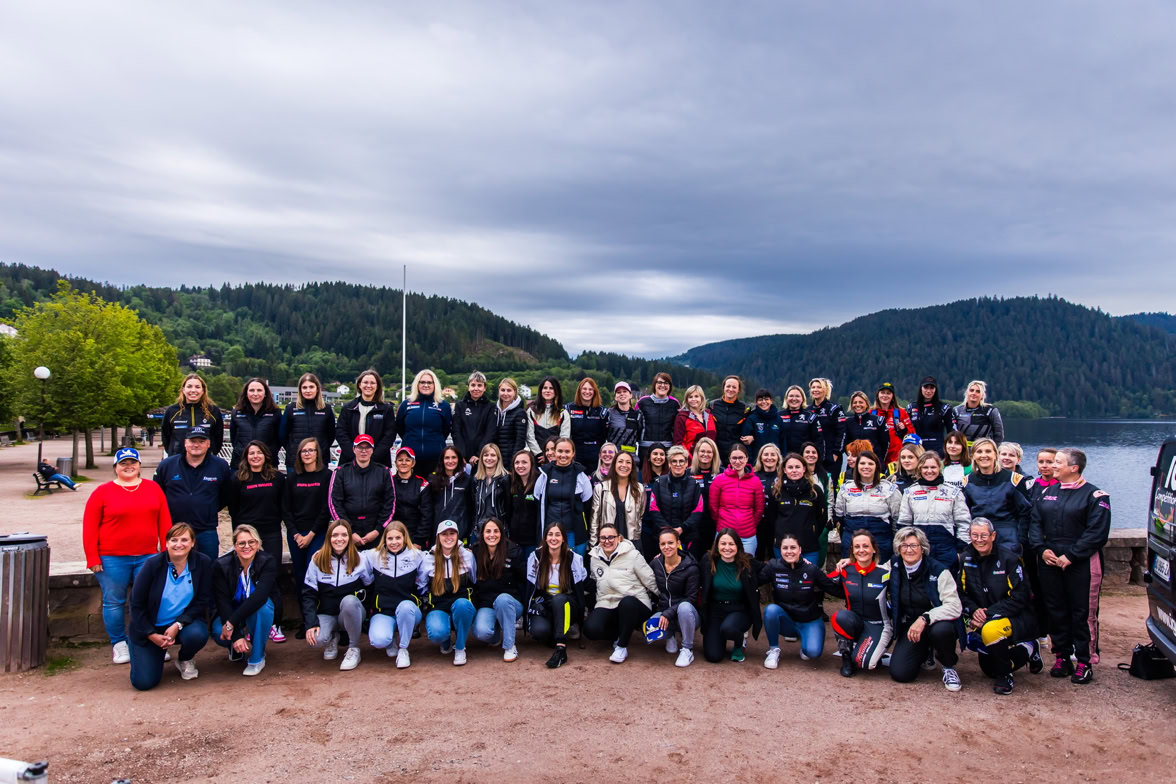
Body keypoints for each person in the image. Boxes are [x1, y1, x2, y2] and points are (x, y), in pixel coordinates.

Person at [1027, 448, 1111, 682]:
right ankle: (1062, 656)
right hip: (1050, 560)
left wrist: (1072, 556)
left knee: (1083, 612)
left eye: (1058, 462)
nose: (1053, 466)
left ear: (1074, 468)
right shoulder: (1047, 493)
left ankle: (1085, 661)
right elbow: (1035, 524)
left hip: (1081, 562)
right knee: (1056, 609)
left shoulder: (1096, 496)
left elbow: (1097, 533)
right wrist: (1041, 549)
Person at [83, 447, 171, 664]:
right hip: (112, 557)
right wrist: (92, 558)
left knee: (149, 600)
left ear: (139, 466)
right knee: (114, 601)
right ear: (115, 467)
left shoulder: (153, 488)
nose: (128, 466)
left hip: (147, 556)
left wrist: (165, 554)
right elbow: (90, 527)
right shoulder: (102, 492)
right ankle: (119, 643)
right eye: (123, 463)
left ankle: (149, 640)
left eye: (133, 462)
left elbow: (164, 522)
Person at [958, 518, 1043, 695]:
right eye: (974, 535)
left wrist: (988, 614)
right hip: (984, 617)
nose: (979, 540)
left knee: (991, 631)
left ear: (993, 536)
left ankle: (1005, 677)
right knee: (989, 670)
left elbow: (1020, 597)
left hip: (1016, 616)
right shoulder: (965, 558)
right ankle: (1029, 648)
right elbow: (961, 594)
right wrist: (973, 611)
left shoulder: (1010, 559)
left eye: (983, 535)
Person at [127, 523, 212, 690]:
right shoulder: (152, 565)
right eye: (174, 540)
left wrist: (178, 624)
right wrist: (151, 634)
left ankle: (185, 658)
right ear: (166, 543)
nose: (179, 544)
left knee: (197, 634)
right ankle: (155, 653)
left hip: (181, 625)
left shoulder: (202, 562)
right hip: (150, 629)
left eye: (184, 540)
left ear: (193, 543)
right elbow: (136, 605)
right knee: (143, 683)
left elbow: (203, 600)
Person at [888, 527, 964, 690]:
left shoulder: (939, 570)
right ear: (898, 549)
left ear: (922, 548)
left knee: (942, 630)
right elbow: (872, 569)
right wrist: (848, 562)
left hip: (935, 623)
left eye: (914, 545)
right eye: (904, 546)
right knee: (900, 674)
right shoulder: (894, 565)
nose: (909, 550)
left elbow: (954, 606)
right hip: (911, 626)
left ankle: (948, 666)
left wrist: (926, 618)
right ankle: (925, 651)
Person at [227, 441, 286, 642]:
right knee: (249, 578)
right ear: (246, 456)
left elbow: (282, 505)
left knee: (272, 577)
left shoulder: (277, 477)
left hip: (271, 533)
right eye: (251, 453)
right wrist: (239, 537)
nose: (255, 456)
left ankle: (275, 624)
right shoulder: (237, 479)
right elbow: (233, 509)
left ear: (266, 455)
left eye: (259, 452)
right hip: (248, 536)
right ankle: (250, 624)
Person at [759, 533, 840, 666]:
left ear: (800, 550)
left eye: (793, 547)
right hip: (787, 622)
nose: (789, 551)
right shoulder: (774, 567)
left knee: (812, 653)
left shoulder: (811, 569)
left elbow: (833, 588)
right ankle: (773, 650)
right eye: (785, 548)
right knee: (771, 610)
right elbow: (754, 581)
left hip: (809, 620)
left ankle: (807, 641)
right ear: (780, 550)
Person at [210, 524, 280, 676]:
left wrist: (230, 624)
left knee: (263, 608)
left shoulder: (267, 561)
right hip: (231, 611)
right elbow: (222, 602)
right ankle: (235, 647)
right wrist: (235, 635)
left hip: (255, 609)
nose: (246, 546)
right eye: (241, 543)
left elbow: (260, 596)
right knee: (218, 632)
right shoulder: (220, 565)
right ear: (235, 546)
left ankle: (257, 657)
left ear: (258, 544)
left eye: (251, 542)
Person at [584, 522, 659, 663]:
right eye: (603, 538)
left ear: (619, 538)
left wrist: (665, 601)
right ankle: (619, 632)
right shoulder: (594, 558)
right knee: (591, 630)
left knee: (627, 602)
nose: (607, 541)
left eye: (611, 537)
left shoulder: (633, 555)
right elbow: (596, 581)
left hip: (635, 603)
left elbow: (650, 579)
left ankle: (621, 646)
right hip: (607, 602)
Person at [153, 427, 231, 561]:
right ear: (185, 443)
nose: (196, 445)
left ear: (208, 444)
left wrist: (208, 507)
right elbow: (157, 494)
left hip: (206, 530)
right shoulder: (167, 465)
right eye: (192, 441)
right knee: (174, 567)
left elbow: (226, 494)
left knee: (208, 568)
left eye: (201, 441)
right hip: (175, 529)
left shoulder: (220, 466)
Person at [361, 521, 426, 669]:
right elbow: (351, 556)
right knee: (378, 641)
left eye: (398, 538)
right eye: (390, 538)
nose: (394, 542)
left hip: (409, 610)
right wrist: (323, 552)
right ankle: (390, 641)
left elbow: (432, 563)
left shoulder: (417, 555)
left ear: (404, 538)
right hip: (384, 611)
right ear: (385, 539)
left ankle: (403, 649)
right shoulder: (373, 555)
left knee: (405, 606)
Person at [302, 520, 365, 671]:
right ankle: (332, 637)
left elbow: (370, 585)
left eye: (344, 535)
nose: (339, 539)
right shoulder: (317, 560)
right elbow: (308, 595)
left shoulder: (360, 559)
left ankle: (354, 648)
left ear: (350, 537)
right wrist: (311, 623)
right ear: (328, 537)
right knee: (316, 640)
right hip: (327, 614)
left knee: (350, 601)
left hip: (350, 612)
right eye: (335, 535)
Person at [828, 530, 892, 677]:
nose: (861, 550)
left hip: (878, 625)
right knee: (840, 617)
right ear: (852, 550)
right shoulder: (845, 570)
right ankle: (846, 657)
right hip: (855, 622)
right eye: (857, 547)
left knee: (865, 663)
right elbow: (821, 580)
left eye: (866, 546)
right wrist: (804, 563)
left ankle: (870, 649)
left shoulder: (886, 573)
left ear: (874, 549)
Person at [284, 437, 331, 634]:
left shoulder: (326, 475)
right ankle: (306, 621)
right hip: (296, 534)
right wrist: (296, 534)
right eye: (304, 451)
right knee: (300, 574)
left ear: (318, 453)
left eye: (311, 450)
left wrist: (311, 534)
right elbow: (286, 509)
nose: (307, 454)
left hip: (317, 532)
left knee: (317, 575)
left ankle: (321, 618)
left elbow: (326, 509)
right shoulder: (292, 478)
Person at [526, 523, 590, 669]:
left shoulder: (573, 558)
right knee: (539, 632)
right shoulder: (535, 557)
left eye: (557, 535)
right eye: (550, 534)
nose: (553, 538)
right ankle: (556, 632)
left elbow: (583, 585)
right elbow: (531, 588)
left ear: (563, 539)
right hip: (546, 602)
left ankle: (561, 649)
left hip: (567, 603)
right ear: (545, 538)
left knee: (559, 599)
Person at [897, 451, 971, 570]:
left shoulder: (953, 492)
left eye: (933, 467)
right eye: (925, 467)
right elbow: (904, 523)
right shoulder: (910, 492)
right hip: (919, 547)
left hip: (946, 548)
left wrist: (961, 550)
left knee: (947, 580)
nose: (929, 471)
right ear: (919, 469)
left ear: (939, 468)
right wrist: (906, 547)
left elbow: (963, 522)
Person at [698, 529, 762, 663]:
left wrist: (800, 562)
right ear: (717, 545)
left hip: (739, 610)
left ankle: (739, 643)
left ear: (738, 545)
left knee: (728, 628)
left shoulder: (747, 562)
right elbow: (690, 566)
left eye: (731, 544)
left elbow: (770, 569)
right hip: (715, 611)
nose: (727, 548)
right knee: (713, 656)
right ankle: (719, 638)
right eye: (723, 544)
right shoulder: (708, 560)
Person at [469, 518, 528, 661]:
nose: (492, 535)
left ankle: (510, 646)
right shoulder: (475, 551)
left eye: (496, 531)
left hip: (510, 603)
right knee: (481, 632)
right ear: (482, 534)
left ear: (501, 533)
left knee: (502, 600)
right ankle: (495, 636)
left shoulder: (512, 550)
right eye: (488, 531)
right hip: (487, 604)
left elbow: (525, 578)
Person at [420, 520, 477, 666]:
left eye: (452, 533)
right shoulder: (428, 558)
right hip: (438, 606)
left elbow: (474, 579)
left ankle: (460, 647)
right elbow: (421, 585)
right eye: (444, 534)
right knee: (437, 634)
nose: (448, 537)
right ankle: (445, 642)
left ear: (457, 536)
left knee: (463, 605)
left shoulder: (467, 556)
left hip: (461, 604)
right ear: (438, 536)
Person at [963, 437, 1032, 556]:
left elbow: (1025, 512)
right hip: (979, 537)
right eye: (979, 452)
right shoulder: (967, 482)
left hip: (1008, 537)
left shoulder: (1014, 479)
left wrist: (1021, 540)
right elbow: (964, 514)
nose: (984, 455)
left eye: (988, 451)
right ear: (973, 456)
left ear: (995, 454)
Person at [327, 434, 397, 549]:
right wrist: (349, 531)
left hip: (376, 532)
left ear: (372, 450)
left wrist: (378, 530)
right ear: (354, 449)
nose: (363, 451)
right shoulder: (340, 472)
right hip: (348, 532)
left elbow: (390, 503)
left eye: (367, 447)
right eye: (360, 447)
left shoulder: (384, 472)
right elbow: (334, 504)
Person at [833, 450, 901, 563]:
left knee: (881, 571)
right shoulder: (846, 488)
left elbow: (897, 518)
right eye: (862, 463)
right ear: (857, 466)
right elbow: (840, 516)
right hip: (852, 536)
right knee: (851, 571)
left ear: (876, 466)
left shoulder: (889, 489)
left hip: (881, 538)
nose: (866, 467)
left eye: (870, 463)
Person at [650, 528, 701, 667]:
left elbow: (691, 598)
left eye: (670, 543)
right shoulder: (656, 564)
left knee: (684, 607)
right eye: (663, 544)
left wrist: (668, 613)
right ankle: (670, 634)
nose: (667, 547)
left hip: (686, 614)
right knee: (649, 626)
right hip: (664, 613)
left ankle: (687, 649)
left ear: (678, 543)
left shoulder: (691, 567)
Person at [534, 438, 594, 557]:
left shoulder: (581, 475)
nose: (563, 455)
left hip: (572, 532)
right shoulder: (545, 474)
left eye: (567, 451)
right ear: (555, 452)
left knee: (573, 564)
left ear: (573, 453)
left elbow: (587, 503)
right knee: (551, 564)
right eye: (560, 451)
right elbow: (537, 499)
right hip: (550, 531)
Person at [768, 454, 826, 564]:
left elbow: (822, 517)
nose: (794, 470)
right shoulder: (776, 491)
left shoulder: (815, 491)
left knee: (808, 575)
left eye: (797, 467)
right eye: (790, 467)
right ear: (784, 470)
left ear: (804, 469)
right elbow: (771, 517)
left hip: (808, 547)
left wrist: (811, 533)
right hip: (782, 546)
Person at [709, 444, 765, 555]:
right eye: (734, 458)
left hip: (747, 536)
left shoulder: (755, 481)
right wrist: (722, 523)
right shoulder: (719, 480)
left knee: (746, 564)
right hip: (724, 534)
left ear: (746, 459)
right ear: (729, 459)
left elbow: (759, 510)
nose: (737, 461)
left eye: (741, 458)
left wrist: (750, 524)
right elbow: (713, 508)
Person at [647, 445, 704, 555]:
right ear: (669, 463)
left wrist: (682, 528)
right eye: (674, 461)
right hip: (664, 537)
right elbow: (654, 509)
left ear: (686, 463)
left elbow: (698, 511)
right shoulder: (659, 483)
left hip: (688, 537)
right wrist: (669, 530)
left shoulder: (694, 484)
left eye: (681, 461)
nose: (678, 464)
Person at [395, 369, 452, 477]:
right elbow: (400, 428)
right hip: (410, 458)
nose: (426, 385)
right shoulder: (406, 404)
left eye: (429, 382)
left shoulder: (443, 406)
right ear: (417, 384)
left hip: (435, 458)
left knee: (434, 487)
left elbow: (446, 430)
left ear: (435, 385)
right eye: (422, 382)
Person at [336, 369, 395, 467]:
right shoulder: (348, 408)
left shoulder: (386, 409)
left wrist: (373, 457)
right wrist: (354, 455)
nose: (369, 385)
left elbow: (389, 436)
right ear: (359, 385)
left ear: (377, 386)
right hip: (350, 461)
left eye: (372, 383)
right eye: (365, 382)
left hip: (378, 462)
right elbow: (341, 433)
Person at [589, 451, 646, 552]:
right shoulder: (601, 488)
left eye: (628, 462)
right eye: (620, 461)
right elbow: (595, 520)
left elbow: (640, 515)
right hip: (607, 542)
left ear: (632, 467)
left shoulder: (639, 489)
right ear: (614, 465)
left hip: (632, 542)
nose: (624, 465)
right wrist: (593, 546)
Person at [281, 373, 336, 471]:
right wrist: (293, 449)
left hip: (320, 460)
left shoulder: (326, 409)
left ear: (317, 388)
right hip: (295, 461)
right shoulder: (290, 408)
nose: (308, 391)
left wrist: (320, 449)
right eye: (304, 387)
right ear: (300, 390)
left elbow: (331, 435)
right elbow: (282, 435)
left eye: (311, 387)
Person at [162, 373, 224, 457]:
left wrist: (210, 454)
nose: (193, 390)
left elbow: (218, 438)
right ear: (183, 390)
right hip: (177, 460)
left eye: (197, 387)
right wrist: (175, 452)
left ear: (203, 390)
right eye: (189, 386)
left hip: (206, 460)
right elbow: (166, 438)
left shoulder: (213, 411)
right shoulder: (172, 411)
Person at [228, 378, 281, 471]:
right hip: (240, 464)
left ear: (265, 393)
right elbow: (234, 438)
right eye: (252, 390)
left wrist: (269, 452)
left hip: (268, 465)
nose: (255, 394)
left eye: (259, 390)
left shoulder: (275, 413)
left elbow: (279, 438)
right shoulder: (236, 413)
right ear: (246, 393)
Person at [428, 446, 474, 544]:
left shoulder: (467, 480)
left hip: (461, 533)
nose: (450, 461)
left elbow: (471, 508)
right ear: (442, 460)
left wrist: (468, 531)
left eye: (453, 457)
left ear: (459, 459)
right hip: (438, 532)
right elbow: (428, 508)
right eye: (447, 458)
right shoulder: (433, 479)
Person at [390, 446, 433, 549]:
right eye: (400, 460)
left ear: (413, 463)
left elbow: (427, 516)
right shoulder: (388, 482)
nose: (404, 463)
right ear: (395, 463)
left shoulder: (423, 484)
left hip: (415, 537)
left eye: (407, 460)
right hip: (393, 535)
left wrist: (419, 541)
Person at [453, 371, 498, 470]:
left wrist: (479, 454)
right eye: (473, 385)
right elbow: (456, 431)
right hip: (463, 458)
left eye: (479, 385)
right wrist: (461, 454)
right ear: (468, 387)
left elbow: (490, 432)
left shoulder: (491, 407)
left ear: (484, 388)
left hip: (483, 456)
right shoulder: (460, 406)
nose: (476, 388)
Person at [807, 378, 846, 488]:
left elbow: (842, 432)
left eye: (819, 387)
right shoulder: (807, 410)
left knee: (830, 487)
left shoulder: (834, 408)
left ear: (825, 390)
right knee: (812, 485)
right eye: (813, 387)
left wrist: (836, 453)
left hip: (831, 456)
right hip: (812, 456)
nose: (815, 390)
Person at [566, 377, 608, 473]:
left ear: (594, 392)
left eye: (590, 389)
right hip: (575, 452)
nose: (587, 392)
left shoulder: (602, 412)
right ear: (579, 390)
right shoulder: (568, 409)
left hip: (594, 453)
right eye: (584, 389)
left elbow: (605, 435)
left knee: (593, 480)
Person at [906, 377, 956, 457]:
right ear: (921, 388)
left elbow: (952, 431)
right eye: (926, 387)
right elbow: (906, 431)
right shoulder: (911, 407)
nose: (928, 391)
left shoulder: (944, 408)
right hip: (917, 449)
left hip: (938, 450)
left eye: (932, 388)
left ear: (935, 389)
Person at [525, 376, 570, 461]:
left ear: (556, 391)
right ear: (541, 390)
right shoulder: (531, 411)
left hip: (557, 458)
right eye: (545, 388)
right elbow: (529, 436)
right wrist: (539, 454)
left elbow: (564, 437)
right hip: (537, 458)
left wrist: (553, 454)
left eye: (551, 388)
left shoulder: (563, 413)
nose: (547, 391)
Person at [751, 443, 783, 560]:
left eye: (773, 455)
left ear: (778, 458)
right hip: (757, 524)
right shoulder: (753, 476)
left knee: (775, 558)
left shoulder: (783, 476)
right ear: (760, 457)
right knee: (757, 557)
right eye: (766, 454)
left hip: (778, 524)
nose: (769, 457)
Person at [709, 376, 750, 467]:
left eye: (734, 387)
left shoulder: (745, 408)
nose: (730, 389)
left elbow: (751, 427)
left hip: (735, 455)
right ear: (723, 387)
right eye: (728, 386)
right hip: (715, 452)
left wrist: (752, 437)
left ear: (738, 390)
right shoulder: (712, 405)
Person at [472, 443, 511, 536]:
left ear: (498, 458)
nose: (489, 458)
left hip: (499, 529)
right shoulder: (476, 479)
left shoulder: (505, 479)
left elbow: (509, 506)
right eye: (486, 455)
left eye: (493, 455)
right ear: (481, 458)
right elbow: (473, 507)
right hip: (479, 529)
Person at [508, 450, 542, 558]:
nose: (520, 466)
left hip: (533, 541)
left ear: (531, 464)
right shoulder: (511, 482)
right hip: (514, 540)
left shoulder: (540, 481)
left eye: (524, 462)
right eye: (517, 463)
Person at [691, 437, 722, 553]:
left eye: (709, 452)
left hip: (716, 523)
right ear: (697, 453)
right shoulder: (688, 473)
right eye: (702, 451)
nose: (705, 454)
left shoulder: (722, 473)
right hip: (694, 525)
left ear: (714, 454)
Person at [871, 382, 913, 465]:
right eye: (882, 392)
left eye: (888, 393)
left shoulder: (901, 413)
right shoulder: (871, 413)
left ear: (893, 396)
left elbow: (912, 434)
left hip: (896, 457)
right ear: (877, 395)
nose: (885, 395)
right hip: (876, 456)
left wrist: (904, 429)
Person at [637, 372, 679, 453]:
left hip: (667, 448)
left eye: (666, 383)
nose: (662, 385)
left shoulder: (675, 404)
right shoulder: (643, 402)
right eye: (659, 382)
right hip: (646, 448)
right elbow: (636, 426)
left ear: (670, 386)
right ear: (654, 385)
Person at [673, 384, 717, 458]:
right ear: (687, 400)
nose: (693, 399)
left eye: (696, 396)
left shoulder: (709, 415)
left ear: (701, 398)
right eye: (690, 397)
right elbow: (679, 443)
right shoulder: (682, 417)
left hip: (709, 459)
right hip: (691, 459)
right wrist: (690, 460)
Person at [778, 385, 822, 457]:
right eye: (791, 396)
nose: (794, 399)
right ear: (786, 398)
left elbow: (819, 441)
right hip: (783, 458)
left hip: (804, 458)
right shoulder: (778, 416)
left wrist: (819, 459)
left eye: (797, 396)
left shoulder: (811, 416)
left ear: (802, 399)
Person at [842, 391, 889, 461]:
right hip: (854, 462)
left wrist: (878, 460)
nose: (857, 405)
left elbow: (885, 444)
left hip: (874, 461)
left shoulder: (878, 421)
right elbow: (844, 444)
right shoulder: (847, 422)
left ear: (867, 404)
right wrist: (853, 457)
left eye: (861, 402)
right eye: (855, 402)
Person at [493, 378, 529, 466]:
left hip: (510, 461)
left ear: (515, 392)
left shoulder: (520, 413)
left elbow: (520, 441)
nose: (505, 393)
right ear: (499, 391)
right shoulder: (494, 411)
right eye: (503, 390)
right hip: (495, 460)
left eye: (509, 390)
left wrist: (513, 463)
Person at [605, 381, 645, 459]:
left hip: (631, 458)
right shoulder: (609, 413)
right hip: (613, 457)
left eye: (624, 391)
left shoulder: (638, 415)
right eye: (618, 392)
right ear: (615, 397)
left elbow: (640, 437)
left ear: (630, 395)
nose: (622, 394)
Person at [740, 388, 780, 462]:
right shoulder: (751, 418)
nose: (763, 402)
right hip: (756, 461)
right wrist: (750, 463)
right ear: (756, 402)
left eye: (766, 399)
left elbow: (783, 441)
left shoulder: (778, 418)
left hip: (774, 460)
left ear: (771, 401)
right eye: (760, 400)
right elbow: (746, 443)